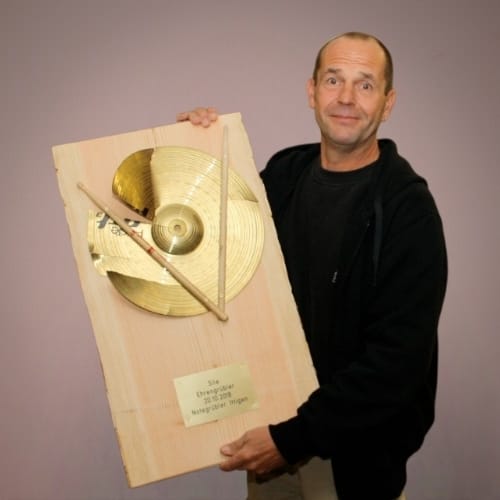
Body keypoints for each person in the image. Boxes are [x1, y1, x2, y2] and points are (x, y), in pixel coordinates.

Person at [177, 31, 447, 500]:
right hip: (272, 438)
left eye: (365, 84)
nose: (346, 98)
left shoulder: (408, 210)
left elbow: (396, 366)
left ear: (387, 103)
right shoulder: (283, 176)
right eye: (333, 80)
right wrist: (190, 151)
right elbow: (213, 251)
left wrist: (291, 440)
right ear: (312, 91)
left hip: (352, 461)